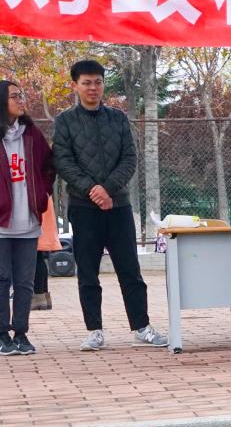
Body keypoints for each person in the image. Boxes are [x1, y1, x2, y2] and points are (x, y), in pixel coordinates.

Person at [52, 60, 167, 351]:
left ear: (103, 85)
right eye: (87, 83)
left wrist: (107, 189)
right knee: (88, 271)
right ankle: (94, 330)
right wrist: (92, 190)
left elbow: (129, 158)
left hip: (119, 206)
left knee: (130, 269)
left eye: (98, 82)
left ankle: (141, 326)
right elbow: (64, 162)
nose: (93, 88)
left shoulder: (118, 118)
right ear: (75, 86)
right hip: (83, 207)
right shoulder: (64, 121)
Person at [0, 80, 55, 355]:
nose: (21, 100)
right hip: (2, 225)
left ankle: (21, 333)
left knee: (25, 283)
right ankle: (2, 335)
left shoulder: (31, 134)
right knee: (2, 280)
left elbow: (49, 166)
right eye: (15, 96)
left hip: (29, 222)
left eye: (21, 95)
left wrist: (42, 193)